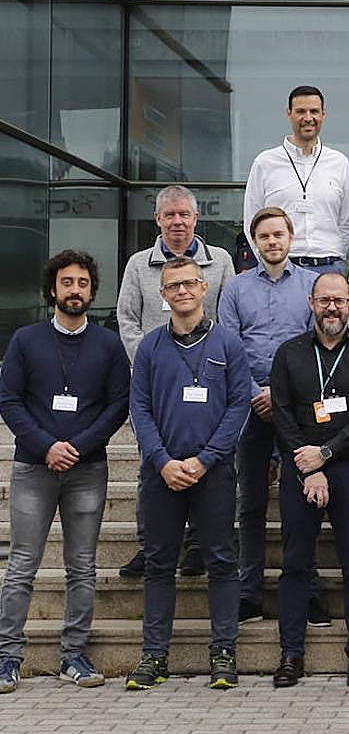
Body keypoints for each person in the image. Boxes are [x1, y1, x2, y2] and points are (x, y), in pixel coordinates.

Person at [0, 251, 129, 694]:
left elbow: (118, 404)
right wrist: (47, 445)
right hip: (33, 468)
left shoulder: (109, 344)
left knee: (82, 567)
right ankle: (7, 657)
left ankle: (74, 654)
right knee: (21, 566)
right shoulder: (25, 340)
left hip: (87, 469)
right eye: (66, 282)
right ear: (52, 289)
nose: (75, 290)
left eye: (83, 283)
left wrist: (78, 446)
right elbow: (10, 400)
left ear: (92, 291)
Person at [125, 256, 251, 691]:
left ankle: (223, 652)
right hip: (161, 473)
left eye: (189, 284)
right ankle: (154, 656)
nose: (181, 291)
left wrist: (206, 458)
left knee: (220, 559)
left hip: (212, 471)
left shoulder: (229, 345)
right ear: (162, 295)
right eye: (172, 285)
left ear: (203, 288)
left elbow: (239, 406)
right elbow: (138, 407)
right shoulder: (149, 348)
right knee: (159, 563)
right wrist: (162, 460)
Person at [268, 272, 349, 689]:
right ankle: (290, 654)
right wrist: (310, 463)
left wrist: (327, 453)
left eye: (339, 300)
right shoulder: (289, 354)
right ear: (311, 302)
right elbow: (282, 413)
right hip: (300, 467)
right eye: (324, 300)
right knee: (295, 564)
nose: (332, 307)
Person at [115, 184, 234, 577]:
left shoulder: (220, 262)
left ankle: (199, 545)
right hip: (155, 382)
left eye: (184, 214)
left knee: (206, 458)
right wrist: (152, 360)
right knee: (152, 461)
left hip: (208, 378)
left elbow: (227, 317)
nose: (177, 222)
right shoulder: (137, 265)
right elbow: (127, 319)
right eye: (170, 215)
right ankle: (150, 546)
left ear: (196, 219)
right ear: (158, 219)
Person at [216, 207, 325, 626]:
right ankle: (249, 593)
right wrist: (254, 393)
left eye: (278, 234)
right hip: (248, 407)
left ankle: (308, 590)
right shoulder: (235, 289)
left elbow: (316, 345)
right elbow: (227, 347)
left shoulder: (311, 285)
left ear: (290, 237)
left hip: (295, 408)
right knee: (252, 505)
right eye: (264, 236)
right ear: (255, 242)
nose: (272, 242)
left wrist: (278, 395)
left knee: (302, 502)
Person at [243, 85, 349, 275]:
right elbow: (252, 219)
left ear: (323, 115)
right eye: (301, 111)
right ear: (289, 113)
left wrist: (336, 256)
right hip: (282, 267)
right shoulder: (265, 162)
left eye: (314, 111)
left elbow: (346, 221)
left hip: (328, 268)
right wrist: (268, 262)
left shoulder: (339, 162)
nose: (308, 118)